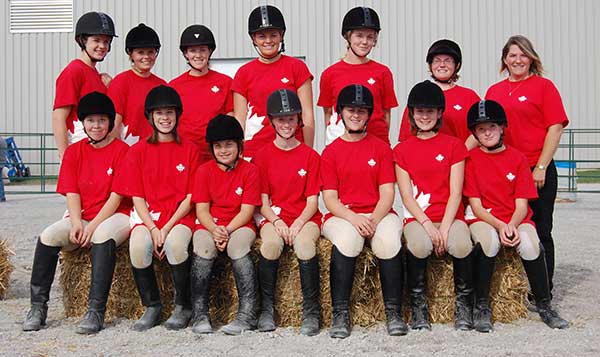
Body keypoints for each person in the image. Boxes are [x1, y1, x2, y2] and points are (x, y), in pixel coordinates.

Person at [23, 92, 130, 333]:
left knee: (102, 236)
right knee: (48, 236)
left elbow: (116, 197)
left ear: (110, 122)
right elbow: (71, 191)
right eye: (91, 120)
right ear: (83, 123)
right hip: (82, 213)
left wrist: (91, 227)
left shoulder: (122, 151)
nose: (96, 125)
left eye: (102, 120)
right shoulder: (74, 152)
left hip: (115, 214)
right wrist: (75, 223)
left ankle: (95, 311)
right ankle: (38, 307)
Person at [463, 99, 569, 330]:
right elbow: (477, 206)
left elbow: (522, 205)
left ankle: (544, 304)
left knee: (531, 244)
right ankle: (481, 305)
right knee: (488, 243)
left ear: (502, 128)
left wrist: (511, 224)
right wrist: (500, 226)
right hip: (484, 218)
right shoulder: (470, 160)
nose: (487, 132)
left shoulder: (518, 158)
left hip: (515, 218)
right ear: (475, 133)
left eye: (492, 127)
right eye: (481, 129)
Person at [485, 35, 569, 302]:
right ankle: (509, 286)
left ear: (531, 58)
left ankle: (543, 289)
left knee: (541, 228)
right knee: (509, 225)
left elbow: (555, 128)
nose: (517, 60)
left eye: (523, 55)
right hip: (504, 170)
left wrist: (541, 166)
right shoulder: (494, 91)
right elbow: (484, 131)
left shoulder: (544, 87)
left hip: (536, 167)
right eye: (512, 55)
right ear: (504, 60)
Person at [320, 84, 404, 338]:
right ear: (341, 113)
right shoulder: (331, 152)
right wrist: (355, 218)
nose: (355, 115)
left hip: (378, 211)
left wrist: (374, 219)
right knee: (348, 241)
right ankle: (340, 313)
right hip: (343, 214)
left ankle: (394, 311)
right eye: (350, 110)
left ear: (368, 115)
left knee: (388, 243)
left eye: (361, 111)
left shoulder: (380, 148)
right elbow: (331, 199)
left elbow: (388, 193)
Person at [116, 85, 199, 331]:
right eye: (159, 113)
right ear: (150, 117)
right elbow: (137, 197)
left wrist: (168, 226)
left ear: (177, 115)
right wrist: (153, 227)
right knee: (139, 247)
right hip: (148, 216)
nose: (165, 117)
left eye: (170, 112)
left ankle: (183, 306)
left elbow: (190, 197)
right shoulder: (138, 151)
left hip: (180, 216)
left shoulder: (190, 149)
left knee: (175, 245)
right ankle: (152, 305)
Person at [394, 81, 473, 331]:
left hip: (449, 215)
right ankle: (418, 306)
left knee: (461, 245)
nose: (424, 116)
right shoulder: (402, 150)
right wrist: (429, 226)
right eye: (419, 111)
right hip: (418, 218)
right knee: (418, 245)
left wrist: (446, 228)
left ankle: (464, 305)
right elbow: (407, 196)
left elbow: (456, 192)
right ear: (411, 114)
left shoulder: (454, 146)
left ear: (440, 113)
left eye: (430, 111)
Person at [253, 89, 322, 336]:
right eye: (281, 119)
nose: (286, 124)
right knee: (270, 245)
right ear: (272, 121)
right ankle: (266, 309)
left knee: (305, 246)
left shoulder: (311, 156)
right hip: (274, 216)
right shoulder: (261, 157)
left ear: (298, 121)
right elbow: (262, 202)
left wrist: (298, 223)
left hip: (305, 217)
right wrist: (278, 221)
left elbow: (313, 201)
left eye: (291, 118)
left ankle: (311, 311)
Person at [190, 114, 261, 335]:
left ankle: (248, 313)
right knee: (202, 247)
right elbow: (202, 209)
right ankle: (199, 313)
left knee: (238, 247)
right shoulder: (203, 171)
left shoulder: (250, 171)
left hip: (239, 225)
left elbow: (247, 210)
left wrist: (227, 231)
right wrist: (214, 230)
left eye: (229, 145)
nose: (223, 150)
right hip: (210, 224)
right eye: (218, 146)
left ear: (239, 145)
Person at [232, 5, 315, 160]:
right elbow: (239, 119)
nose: (268, 41)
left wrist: (308, 152)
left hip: (292, 147)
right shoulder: (244, 73)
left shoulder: (297, 67)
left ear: (281, 35)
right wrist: (239, 155)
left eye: (273, 35)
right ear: (253, 39)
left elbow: (307, 114)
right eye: (262, 36)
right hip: (254, 151)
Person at [318, 7, 398, 145]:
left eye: (370, 37)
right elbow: (328, 114)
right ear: (348, 36)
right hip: (343, 145)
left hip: (376, 145)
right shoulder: (330, 74)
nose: (365, 42)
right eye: (359, 35)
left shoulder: (383, 72)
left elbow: (385, 115)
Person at [53, 12, 117, 158]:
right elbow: (59, 117)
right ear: (83, 41)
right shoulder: (74, 71)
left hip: (96, 150)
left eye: (106, 41)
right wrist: (65, 157)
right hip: (79, 150)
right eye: (96, 40)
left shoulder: (96, 75)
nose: (102, 46)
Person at [399, 39, 480, 149]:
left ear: (457, 65)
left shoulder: (469, 96)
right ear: (430, 65)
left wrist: (460, 154)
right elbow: (407, 136)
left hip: (460, 160)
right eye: (437, 61)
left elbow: (480, 130)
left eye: (448, 61)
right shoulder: (420, 94)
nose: (442, 65)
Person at [170, 24, 233, 162]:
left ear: (209, 51)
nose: (198, 55)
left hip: (216, 155)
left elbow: (231, 118)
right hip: (184, 154)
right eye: (193, 50)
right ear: (186, 54)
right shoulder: (174, 86)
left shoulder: (225, 82)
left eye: (202, 50)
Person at [108, 23, 166, 145]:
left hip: (155, 150)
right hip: (129, 150)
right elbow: (114, 125)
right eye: (140, 52)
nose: (146, 57)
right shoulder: (120, 83)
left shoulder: (162, 86)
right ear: (131, 54)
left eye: (150, 52)